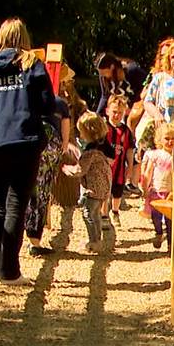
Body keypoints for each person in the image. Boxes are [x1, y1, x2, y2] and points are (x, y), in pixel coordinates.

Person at [0, 17, 55, 285]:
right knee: (16, 205)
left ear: (0, 38)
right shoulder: (32, 65)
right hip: (24, 140)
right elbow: (46, 104)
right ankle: (9, 271)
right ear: (24, 39)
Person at [23, 66, 84, 255]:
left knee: (27, 190)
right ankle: (35, 239)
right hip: (50, 151)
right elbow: (65, 131)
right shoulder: (60, 103)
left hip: (30, 148)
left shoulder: (28, 99)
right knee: (42, 192)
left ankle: (24, 235)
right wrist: (63, 148)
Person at [63, 112, 115, 253]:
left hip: (93, 188)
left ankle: (94, 241)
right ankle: (98, 239)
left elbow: (81, 169)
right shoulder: (105, 145)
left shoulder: (90, 151)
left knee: (87, 214)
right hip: (104, 186)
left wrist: (67, 169)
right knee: (96, 213)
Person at [139, 122, 174, 250]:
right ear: (160, 139)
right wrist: (145, 188)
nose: (170, 141)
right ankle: (158, 232)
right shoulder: (155, 155)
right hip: (157, 191)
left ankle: (170, 244)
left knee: (170, 219)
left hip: (171, 192)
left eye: (173, 138)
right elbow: (148, 173)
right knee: (156, 215)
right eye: (167, 138)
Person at [104, 94, 136, 225]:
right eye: (114, 112)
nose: (117, 115)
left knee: (117, 191)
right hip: (104, 167)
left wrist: (130, 166)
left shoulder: (126, 131)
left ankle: (115, 211)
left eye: (120, 113)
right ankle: (103, 214)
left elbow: (129, 149)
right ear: (107, 111)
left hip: (119, 167)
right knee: (104, 191)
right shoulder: (103, 127)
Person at [93, 51, 149, 119]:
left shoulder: (131, 70)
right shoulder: (103, 77)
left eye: (103, 72)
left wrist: (134, 108)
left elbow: (147, 84)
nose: (101, 75)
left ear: (112, 67)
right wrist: (98, 115)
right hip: (119, 111)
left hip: (137, 109)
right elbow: (105, 96)